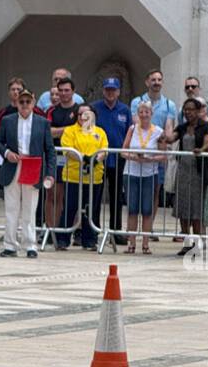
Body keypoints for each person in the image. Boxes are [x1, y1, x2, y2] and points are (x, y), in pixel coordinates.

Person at [0, 88, 56, 258]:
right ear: (17, 103)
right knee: (11, 207)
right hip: (13, 164)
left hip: (32, 165)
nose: (24, 105)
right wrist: (7, 154)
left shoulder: (42, 122)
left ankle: (30, 244)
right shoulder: (8, 121)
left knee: (30, 208)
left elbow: (50, 150)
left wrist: (50, 173)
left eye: (27, 102)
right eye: (21, 102)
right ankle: (10, 245)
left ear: (33, 103)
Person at [89, 78, 133, 242]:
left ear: (118, 92)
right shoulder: (94, 108)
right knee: (96, 196)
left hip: (118, 159)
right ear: (103, 90)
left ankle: (116, 231)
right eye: (107, 89)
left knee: (116, 197)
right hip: (98, 158)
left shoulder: (125, 110)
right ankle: (92, 231)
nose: (110, 92)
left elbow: (130, 131)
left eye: (113, 90)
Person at [122, 99, 168, 253]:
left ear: (151, 114)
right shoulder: (132, 129)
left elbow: (164, 155)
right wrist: (132, 156)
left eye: (146, 112)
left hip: (149, 173)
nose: (143, 115)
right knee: (132, 208)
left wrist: (150, 159)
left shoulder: (158, 131)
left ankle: (146, 243)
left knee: (147, 209)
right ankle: (131, 243)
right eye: (141, 112)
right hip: (132, 172)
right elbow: (123, 150)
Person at [59, 106, 108, 249]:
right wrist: (84, 158)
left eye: (87, 114)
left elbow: (104, 149)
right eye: (80, 114)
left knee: (92, 210)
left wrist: (95, 160)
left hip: (94, 177)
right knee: (69, 208)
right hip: (73, 177)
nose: (83, 117)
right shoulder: (70, 131)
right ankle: (63, 239)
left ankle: (90, 240)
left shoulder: (100, 132)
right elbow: (68, 150)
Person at [166, 98, 208, 252]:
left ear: (198, 111)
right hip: (184, 171)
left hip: (198, 172)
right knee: (183, 207)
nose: (188, 112)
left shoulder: (206, 126)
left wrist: (202, 149)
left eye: (191, 109)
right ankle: (186, 242)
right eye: (186, 109)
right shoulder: (183, 127)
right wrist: (164, 137)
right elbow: (172, 137)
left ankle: (199, 242)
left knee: (196, 208)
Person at [45, 78, 80, 247]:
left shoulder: (79, 110)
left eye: (67, 90)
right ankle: (51, 232)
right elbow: (49, 132)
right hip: (56, 157)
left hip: (74, 159)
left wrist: (63, 132)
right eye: (61, 91)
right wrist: (68, 131)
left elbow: (82, 132)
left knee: (72, 197)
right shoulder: (52, 111)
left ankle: (71, 232)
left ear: (73, 91)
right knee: (53, 195)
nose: (64, 94)